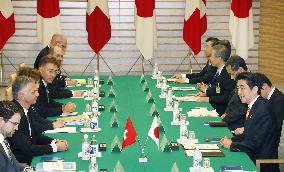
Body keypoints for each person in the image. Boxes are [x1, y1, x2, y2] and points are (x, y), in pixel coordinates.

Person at [220, 72, 278, 172]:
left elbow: (255, 143)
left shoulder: (263, 110)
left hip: (259, 162)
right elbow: (248, 134)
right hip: (250, 152)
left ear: (255, 89)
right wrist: (232, 139)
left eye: (242, 88)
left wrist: (231, 145)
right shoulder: (254, 106)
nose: (239, 92)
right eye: (238, 88)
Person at [8, 76, 68, 164]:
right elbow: (28, 149)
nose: (37, 94)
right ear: (21, 95)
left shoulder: (27, 109)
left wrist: (54, 141)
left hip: (32, 156)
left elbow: (35, 135)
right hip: (24, 162)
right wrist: (54, 147)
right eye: (33, 92)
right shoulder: (15, 116)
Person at [17, 66, 65, 132]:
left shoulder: (29, 102)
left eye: (38, 82)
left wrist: (52, 123)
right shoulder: (19, 111)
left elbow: (37, 117)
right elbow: (33, 126)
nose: (38, 86)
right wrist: (52, 125)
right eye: (35, 83)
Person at [196, 42, 235, 115]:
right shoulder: (219, 70)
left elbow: (226, 97)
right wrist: (206, 93)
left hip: (220, 110)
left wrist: (208, 99)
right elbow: (218, 89)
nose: (210, 58)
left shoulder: (227, 73)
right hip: (215, 104)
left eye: (212, 56)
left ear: (219, 58)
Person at [221, 55, 248, 131]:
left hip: (238, 126)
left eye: (232, 74)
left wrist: (224, 119)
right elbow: (231, 101)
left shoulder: (250, 83)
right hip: (230, 119)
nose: (231, 78)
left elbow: (241, 110)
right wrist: (225, 113)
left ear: (240, 70)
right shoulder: (240, 80)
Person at [0, 101, 28, 172]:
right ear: (1, 121)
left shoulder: (3, 137)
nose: (17, 128)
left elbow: (11, 163)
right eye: (14, 124)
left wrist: (27, 169)